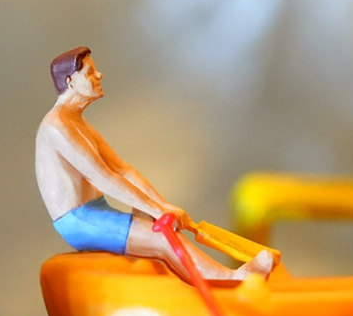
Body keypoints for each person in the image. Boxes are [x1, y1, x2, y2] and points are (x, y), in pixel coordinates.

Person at [35, 47, 274, 283]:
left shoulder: (78, 122)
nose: (99, 75)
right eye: (89, 72)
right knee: (162, 238)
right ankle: (232, 279)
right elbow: (104, 178)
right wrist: (157, 210)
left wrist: (162, 205)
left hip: (97, 210)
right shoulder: (57, 126)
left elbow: (123, 169)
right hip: (80, 220)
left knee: (153, 219)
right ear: (70, 81)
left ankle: (201, 277)